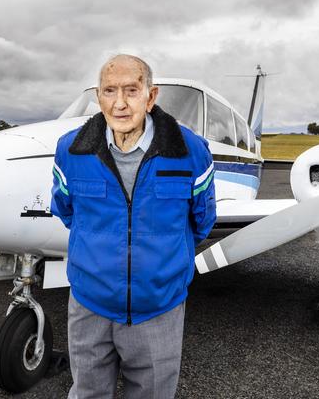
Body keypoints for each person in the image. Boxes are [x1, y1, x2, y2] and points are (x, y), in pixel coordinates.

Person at [51, 54, 216, 398]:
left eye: (131, 90)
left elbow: (202, 221)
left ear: (151, 96)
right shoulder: (69, 151)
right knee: (87, 393)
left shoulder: (192, 152)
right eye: (110, 91)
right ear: (99, 97)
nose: (121, 104)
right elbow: (67, 212)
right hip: (89, 304)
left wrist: (159, 265)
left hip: (158, 307)